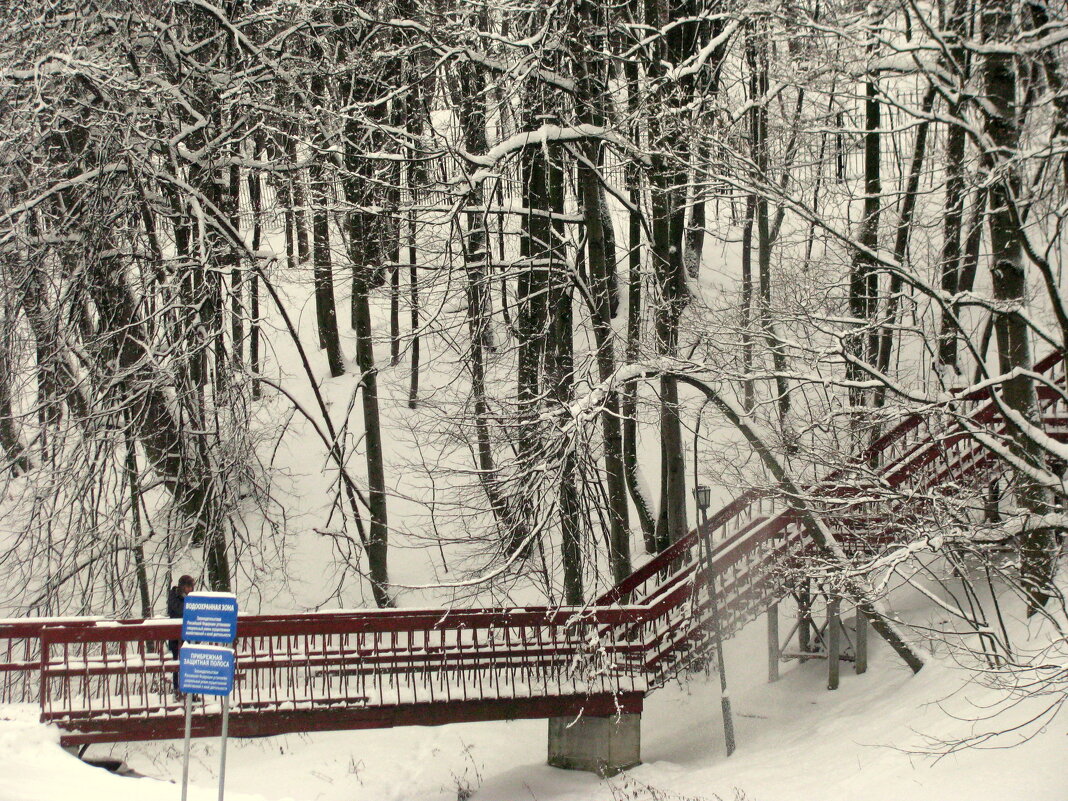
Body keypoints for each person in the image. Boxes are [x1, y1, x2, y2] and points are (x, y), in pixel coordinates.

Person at [167, 575, 195, 699]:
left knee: (191, 665)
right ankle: (178, 691)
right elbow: (178, 609)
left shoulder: (192, 598)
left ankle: (191, 692)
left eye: (191, 587)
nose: (190, 589)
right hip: (176, 637)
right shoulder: (174, 596)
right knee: (178, 665)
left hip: (189, 636)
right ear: (182, 586)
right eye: (188, 586)